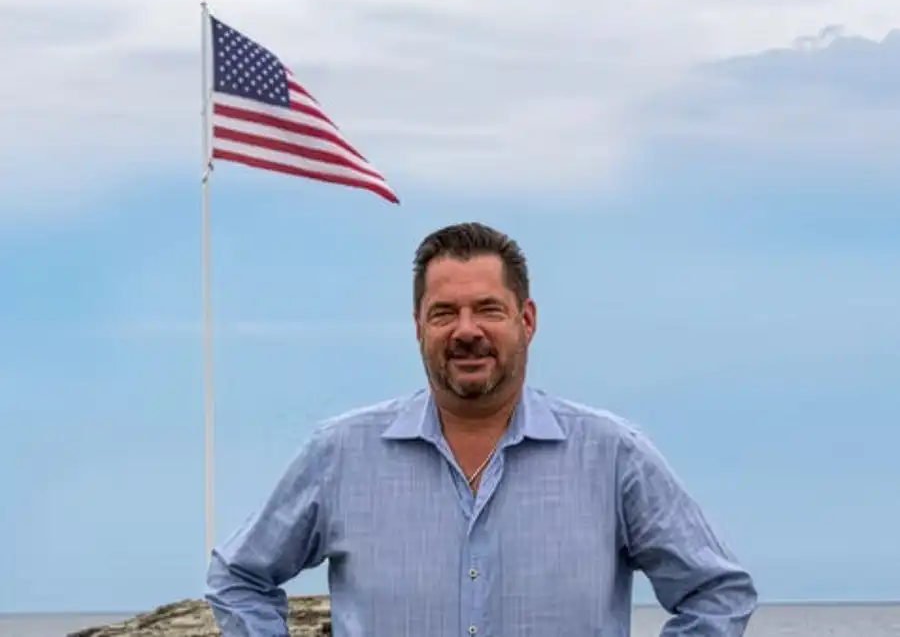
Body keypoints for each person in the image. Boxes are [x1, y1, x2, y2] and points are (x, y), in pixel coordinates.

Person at [206, 221, 757, 636]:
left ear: (527, 320)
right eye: (445, 313)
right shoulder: (340, 455)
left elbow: (717, 592)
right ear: (418, 326)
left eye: (488, 309)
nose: (466, 331)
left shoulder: (613, 457)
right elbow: (238, 577)